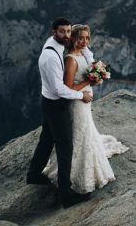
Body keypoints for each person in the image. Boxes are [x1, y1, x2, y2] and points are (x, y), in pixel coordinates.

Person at [42, 24, 128, 194]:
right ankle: (75, 173)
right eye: (80, 38)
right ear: (73, 38)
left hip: (85, 101)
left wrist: (97, 76)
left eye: (87, 38)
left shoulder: (82, 53)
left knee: (86, 131)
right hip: (77, 103)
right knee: (81, 133)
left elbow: (90, 66)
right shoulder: (71, 59)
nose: (84, 41)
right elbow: (67, 89)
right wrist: (88, 82)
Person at [26, 17, 94, 209]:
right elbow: (59, 89)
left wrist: (86, 50)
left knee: (46, 140)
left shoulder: (55, 44)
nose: (66, 35)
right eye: (62, 31)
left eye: (68, 31)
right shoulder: (51, 58)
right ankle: (66, 194)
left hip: (48, 102)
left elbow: (84, 49)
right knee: (65, 147)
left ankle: (33, 174)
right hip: (55, 104)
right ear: (54, 31)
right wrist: (81, 95)